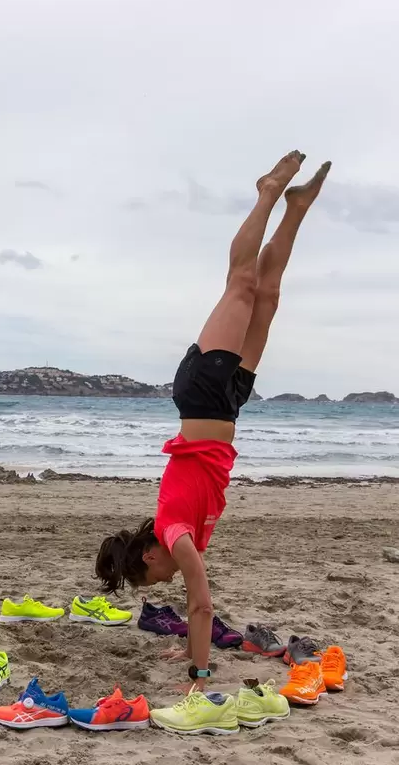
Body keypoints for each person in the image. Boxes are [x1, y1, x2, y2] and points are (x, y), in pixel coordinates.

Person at [95, 150, 331, 691]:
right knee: (267, 296)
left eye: (151, 576)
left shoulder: (176, 537)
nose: (162, 580)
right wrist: (188, 650)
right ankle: (295, 209)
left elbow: (200, 607)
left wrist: (201, 673)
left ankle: (268, 191)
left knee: (241, 285)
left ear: (151, 554)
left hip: (201, 396)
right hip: (228, 405)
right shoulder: (180, 535)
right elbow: (196, 613)